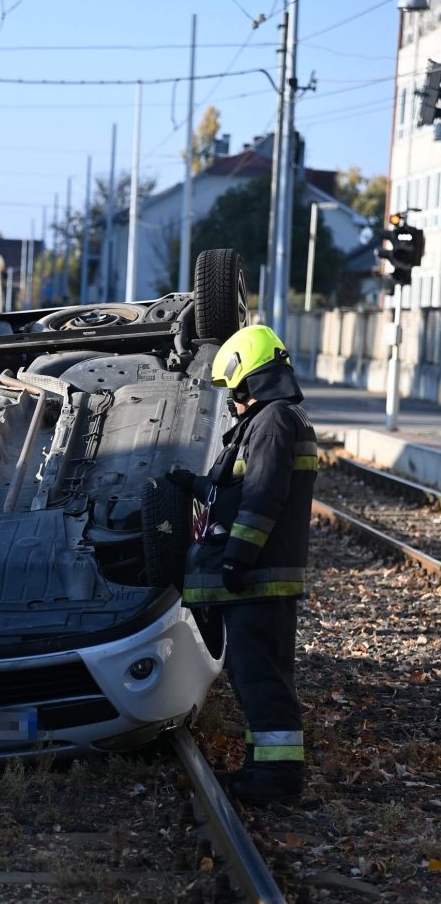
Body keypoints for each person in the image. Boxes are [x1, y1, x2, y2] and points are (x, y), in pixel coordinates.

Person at [170, 324, 318, 806]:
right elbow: (230, 492)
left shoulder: (273, 422)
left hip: (258, 580)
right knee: (255, 679)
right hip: (256, 581)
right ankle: (261, 769)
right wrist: (190, 484)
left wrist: (236, 559)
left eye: (233, 393)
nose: (231, 403)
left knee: (262, 679)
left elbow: (262, 498)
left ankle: (277, 781)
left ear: (249, 381)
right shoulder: (266, 423)